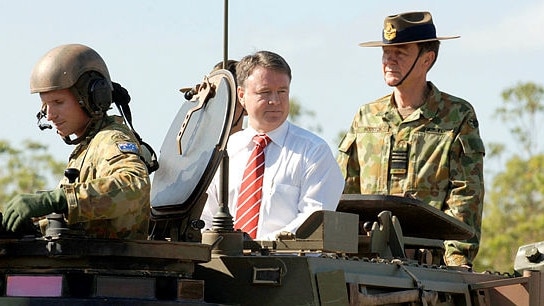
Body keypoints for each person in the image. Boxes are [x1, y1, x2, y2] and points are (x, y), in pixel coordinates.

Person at [337, 12, 485, 267]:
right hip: (367, 261)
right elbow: (344, 188)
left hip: (429, 264)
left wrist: (457, 262)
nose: (389, 61)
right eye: (386, 53)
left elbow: (465, 193)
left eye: (400, 53)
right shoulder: (367, 116)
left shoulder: (457, 115)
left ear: (427, 59)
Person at [1, 44, 151, 240]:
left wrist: (58, 199)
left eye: (58, 102)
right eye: (45, 105)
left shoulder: (111, 139)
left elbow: (134, 187)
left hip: (107, 264)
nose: (49, 115)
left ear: (91, 97)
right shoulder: (88, 147)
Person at [202, 50, 344, 240]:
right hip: (223, 263)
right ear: (241, 95)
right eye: (265, 92)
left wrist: (257, 247)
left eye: (282, 92)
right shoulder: (223, 151)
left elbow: (314, 219)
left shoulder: (313, 152)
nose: (275, 101)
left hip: (289, 265)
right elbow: (205, 217)